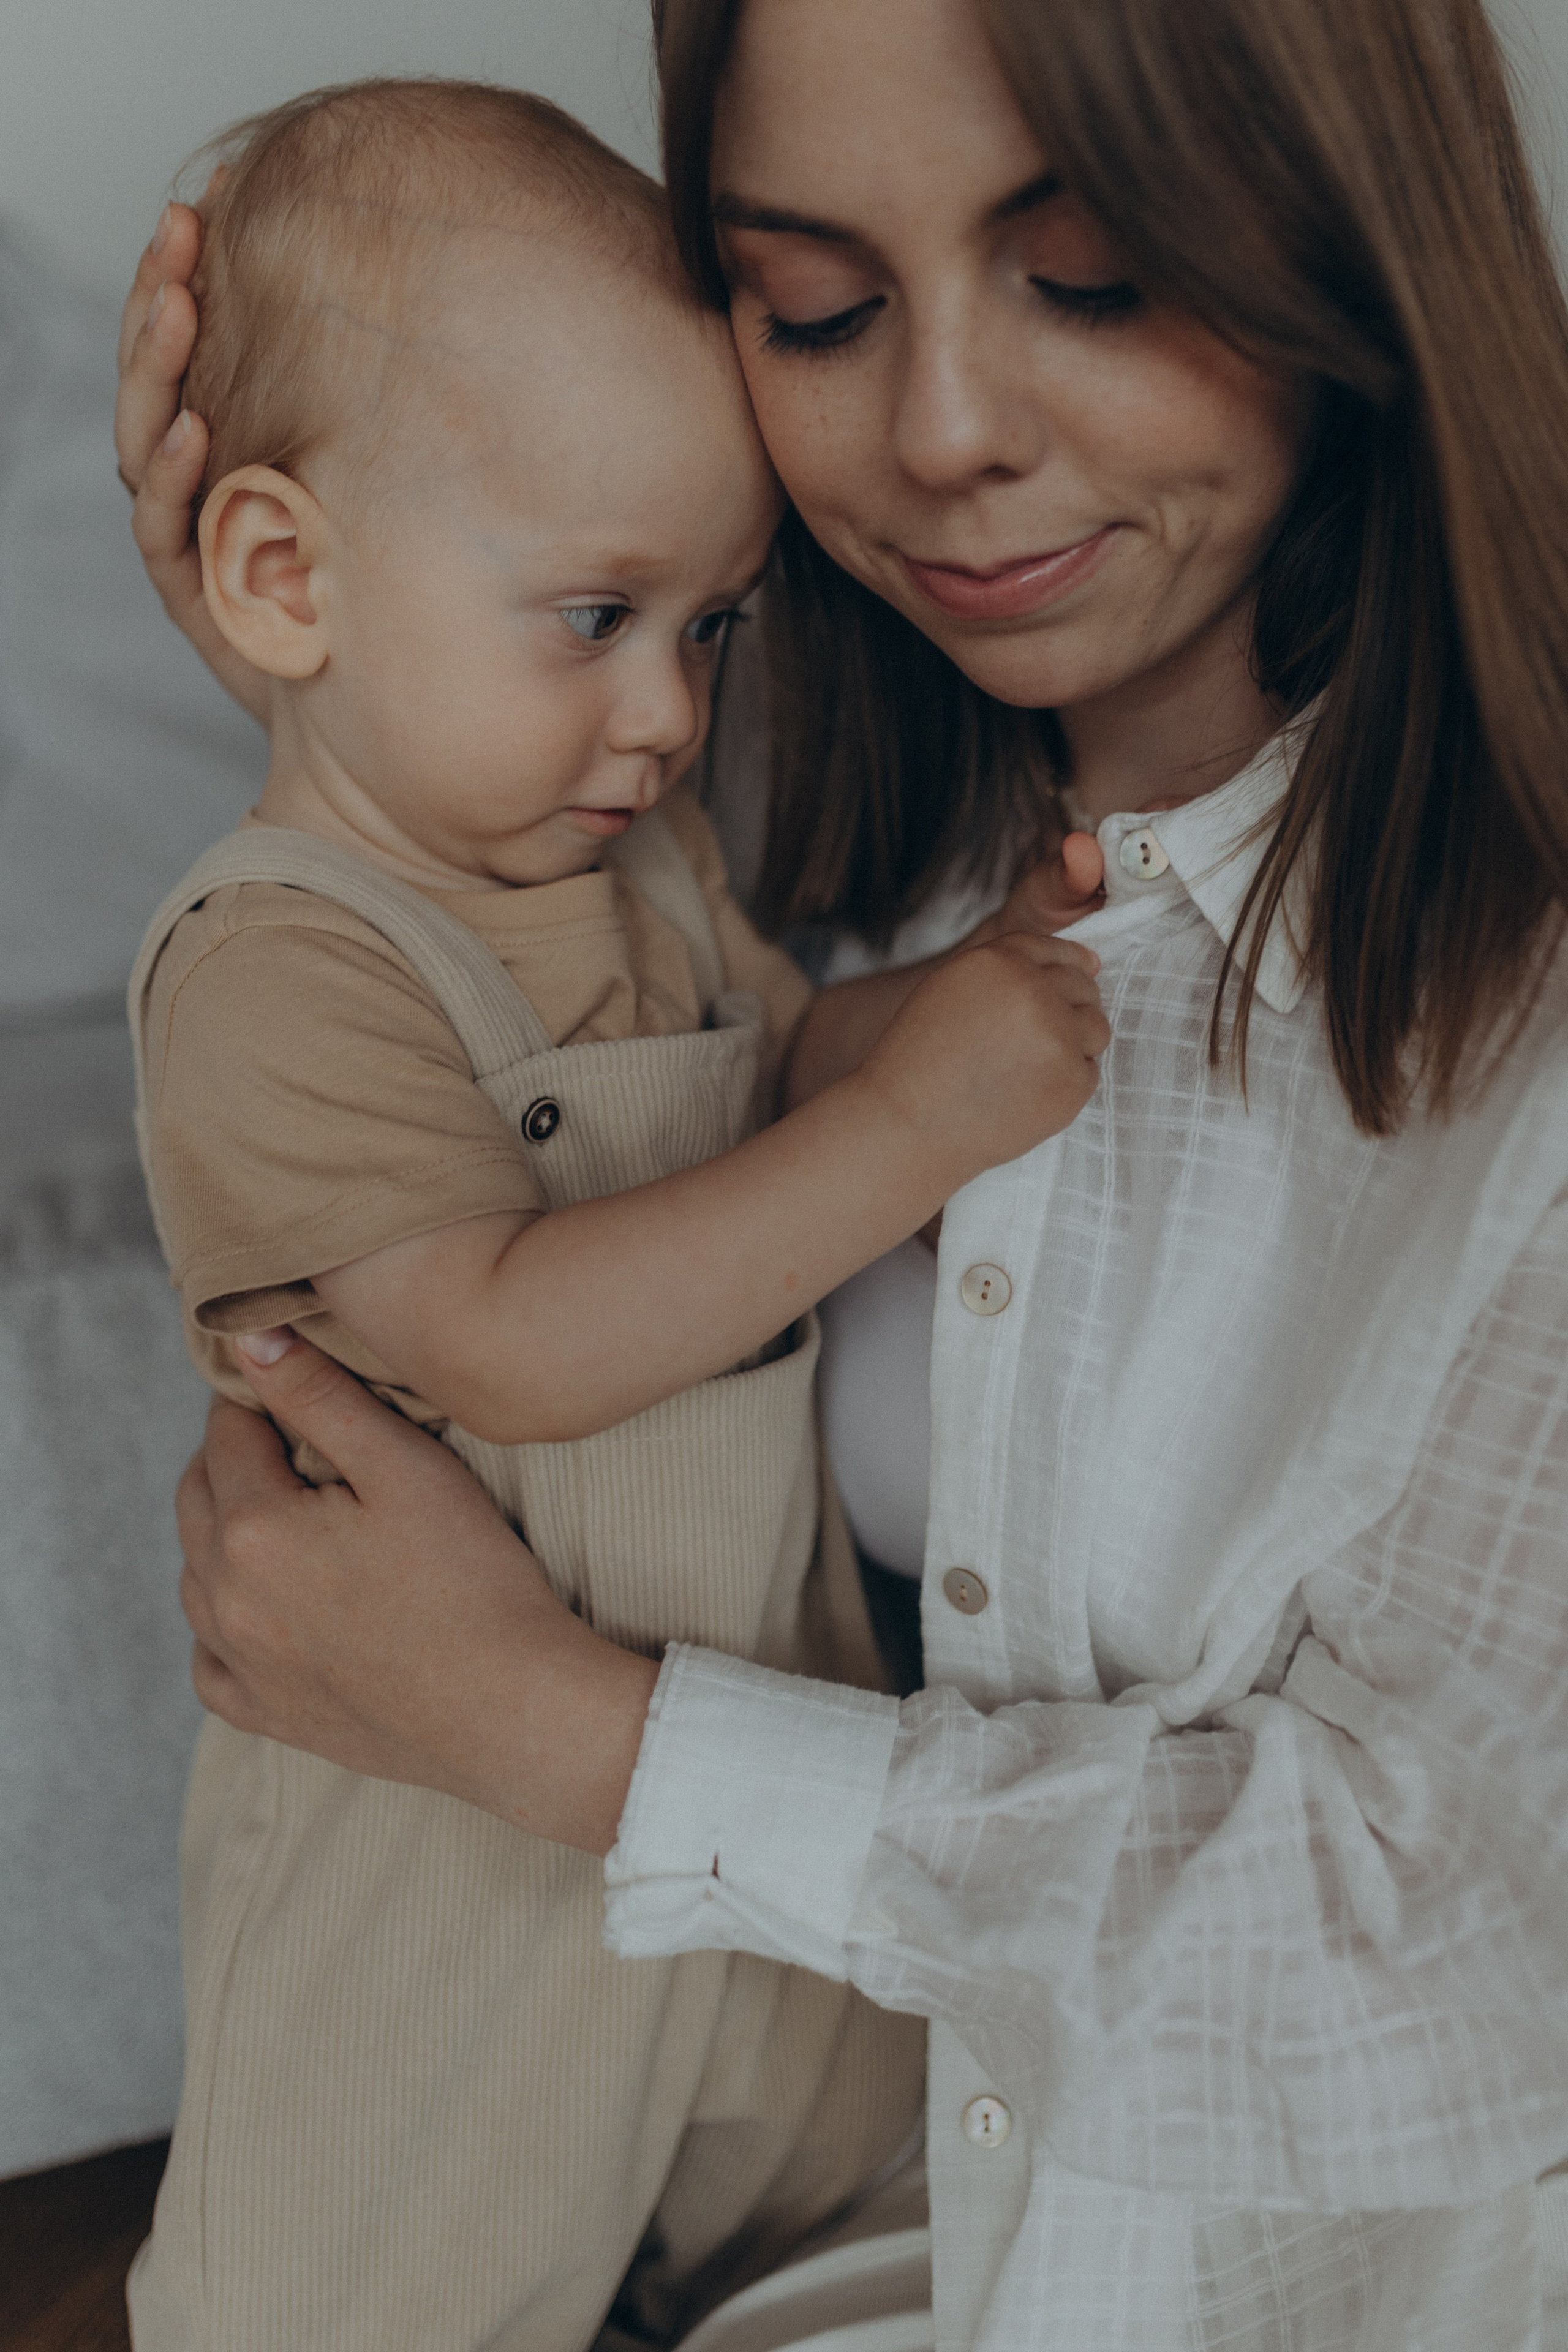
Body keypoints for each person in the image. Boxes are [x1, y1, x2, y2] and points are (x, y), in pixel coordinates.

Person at [115, 0, 1568, 2347]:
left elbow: (1470, 1955)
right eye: (814, 307)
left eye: (1088, 277)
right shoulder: (767, 760)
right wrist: (347, 681)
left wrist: (559, 1738)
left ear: (1348, 237)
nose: (947, 437)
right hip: (742, 2202)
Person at [123, 75, 1110, 2352]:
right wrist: (911, 1131)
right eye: (596, 615)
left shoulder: (621, 858)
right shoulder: (273, 959)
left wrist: (944, 1019)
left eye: (713, 626)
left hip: (735, 1799)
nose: (667, 709)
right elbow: (503, 1340)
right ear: (283, 575)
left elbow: (765, 1082)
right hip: (444, 1882)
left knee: (872, 2239)